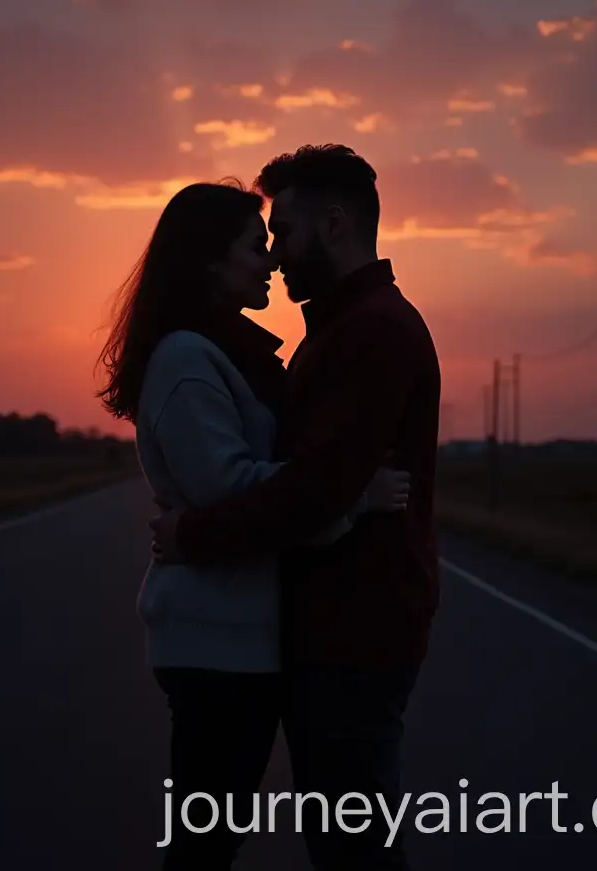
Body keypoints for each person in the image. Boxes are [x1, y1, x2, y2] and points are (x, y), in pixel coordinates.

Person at [96, 180, 410, 869]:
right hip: (214, 647)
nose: (268, 261)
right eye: (252, 246)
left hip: (239, 643)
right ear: (209, 259)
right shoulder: (187, 359)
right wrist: (352, 494)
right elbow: (230, 489)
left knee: (209, 844)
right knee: (203, 850)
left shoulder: (229, 354)